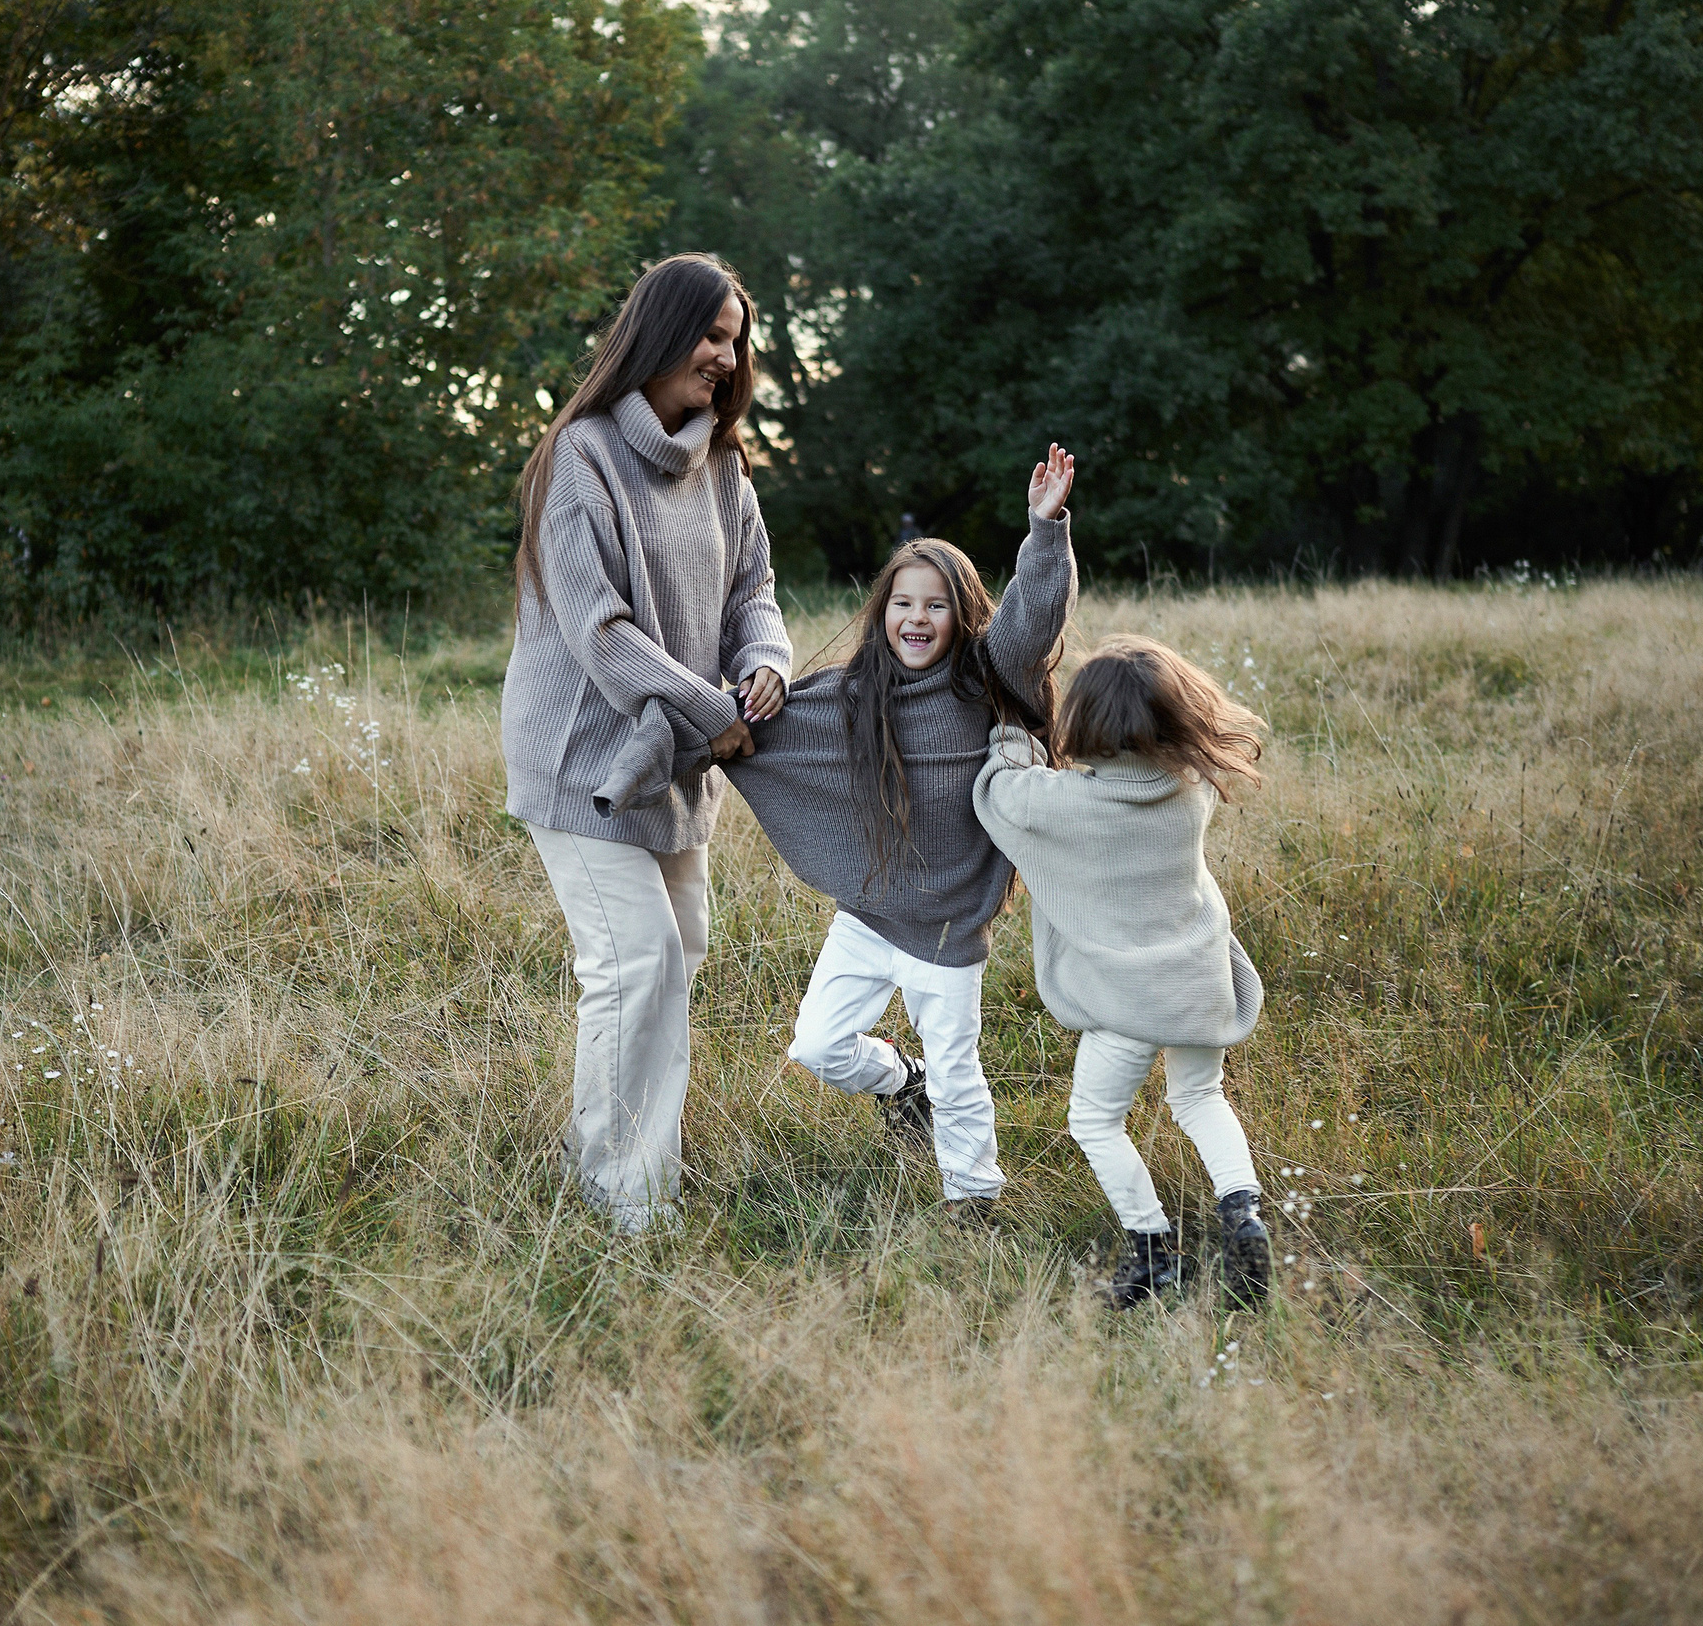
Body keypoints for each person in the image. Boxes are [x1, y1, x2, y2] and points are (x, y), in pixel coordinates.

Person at [499, 253, 791, 1233]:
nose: (725, 355)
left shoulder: (725, 469)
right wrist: (715, 713)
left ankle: (638, 1164)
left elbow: (755, 595)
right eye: (711, 334)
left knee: (678, 957)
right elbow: (599, 631)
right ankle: (624, 1199)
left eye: (735, 339)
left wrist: (765, 669)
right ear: (661, 333)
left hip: (681, 761)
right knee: (635, 966)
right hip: (585, 761)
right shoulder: (577, 456)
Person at [722, 448, 1077, 1220]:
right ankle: (899, 1081)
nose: (917, 618)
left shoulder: (987, 678)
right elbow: (765, 732)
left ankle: (972, 1197)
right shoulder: (858, 693)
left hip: (948, 924)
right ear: (883, 612)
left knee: (959, 1065)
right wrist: (712, 718)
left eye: (937, 605)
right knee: (817, 1046)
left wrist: (1044, 531)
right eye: (903, 604)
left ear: (963, 614)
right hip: (871, 913)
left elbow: (1032, 621)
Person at [970, 635, 1272, 1308]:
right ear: (1177, 716)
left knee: (1094, 1119)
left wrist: (1015, 736)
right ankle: (1242, 1214)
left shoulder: (1061, 801)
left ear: (1084, 722)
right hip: (1199, 983)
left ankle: (1152, 1249)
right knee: (1200, 1098)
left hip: (1129, 1001)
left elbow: (995, 794)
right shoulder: (1191, 787)